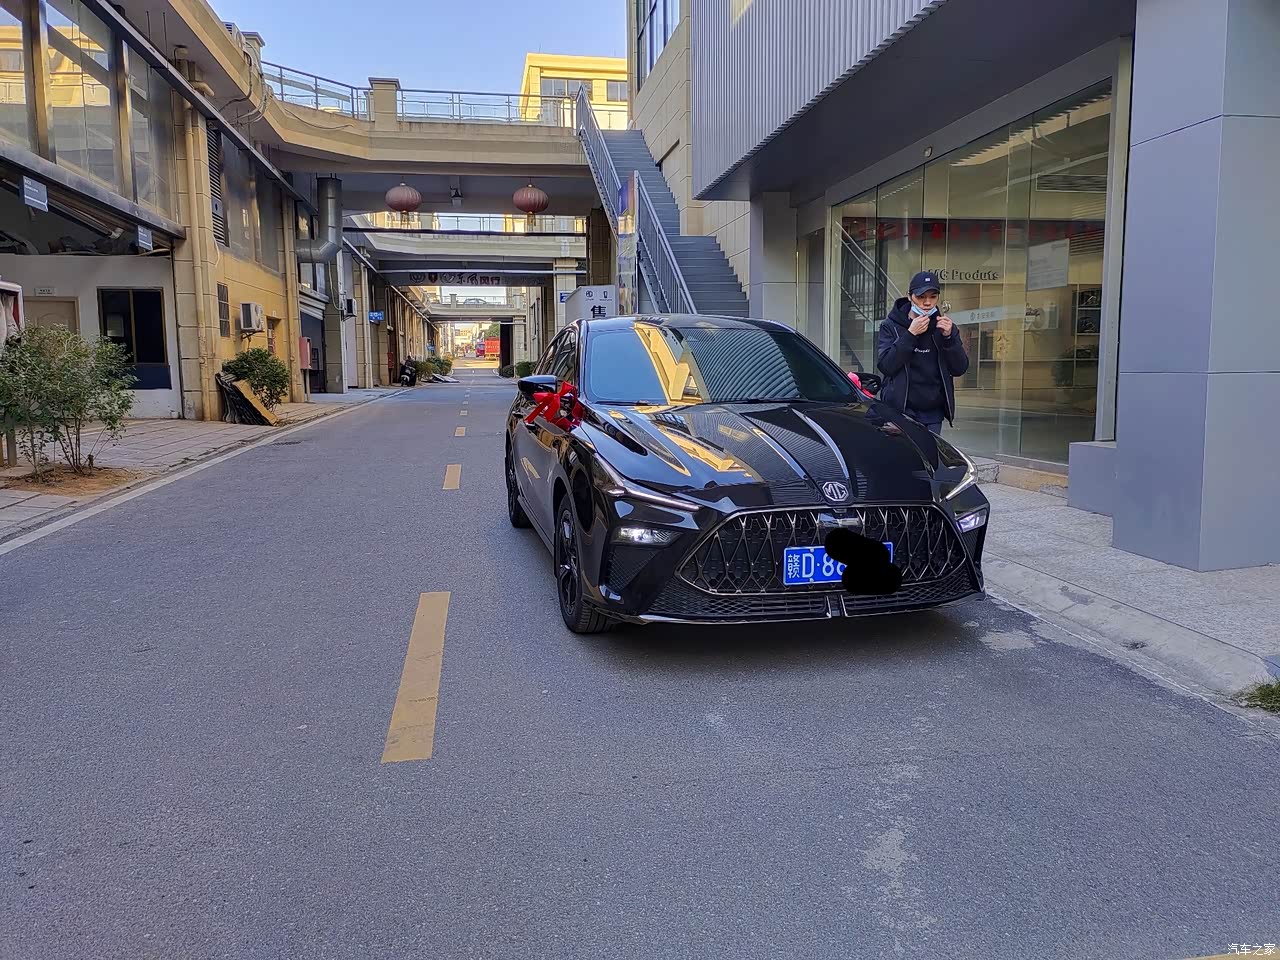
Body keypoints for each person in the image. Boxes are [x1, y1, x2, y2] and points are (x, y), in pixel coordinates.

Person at [875, 271, 969, 435]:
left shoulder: (943, 327)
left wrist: (949, 338)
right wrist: (910, 334)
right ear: (910, 296)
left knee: (930, 450)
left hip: (933, 411)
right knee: (905, 451)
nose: (927, 302)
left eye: (933, 297)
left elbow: (959, 368)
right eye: (921, 297)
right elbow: (886, 365)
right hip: (901, 409)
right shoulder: (891, 326)